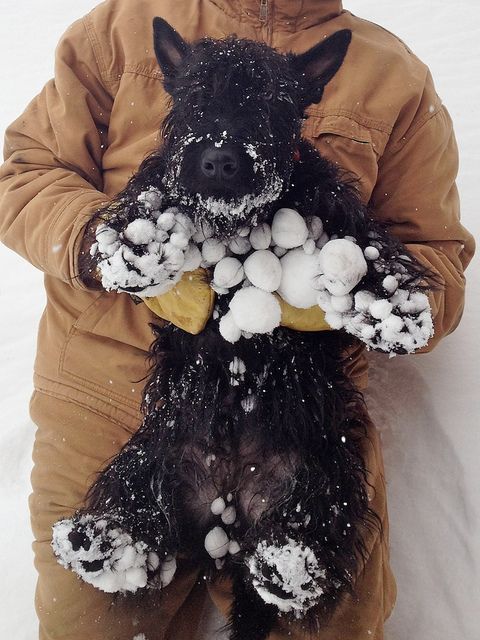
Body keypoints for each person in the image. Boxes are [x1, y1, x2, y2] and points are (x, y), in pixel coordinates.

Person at [0, 1, 474, 639]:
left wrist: (380, 299)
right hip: (110, 393)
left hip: (304, 417)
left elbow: (434, 256)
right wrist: (101, 242)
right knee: (95, 616)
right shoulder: (119, 27)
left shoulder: (393, 74)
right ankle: (130, 530)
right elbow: (23, 175)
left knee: (327, 621)